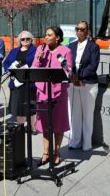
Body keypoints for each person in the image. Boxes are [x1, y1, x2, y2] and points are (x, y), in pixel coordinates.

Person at [32, 26, 71, 166]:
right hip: (42, 92)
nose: (46, 37)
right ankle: (46, 152)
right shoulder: (40, 50)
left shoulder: (65, 51)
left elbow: (69, 72)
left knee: (58, 125)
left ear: (57, 37)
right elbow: (34, 69)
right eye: (46, 35)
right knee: (45, 125)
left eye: (49, 35)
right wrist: (38, 59)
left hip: (58, 93)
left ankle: (57, 152)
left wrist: (65, 69)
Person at [68, 21, 100, 151]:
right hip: (73, 84)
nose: (79, 31)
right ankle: (75, 141)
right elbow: (68, 64)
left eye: (82, 29)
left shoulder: (93, 47)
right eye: (78, 29)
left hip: (88, 84)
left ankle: (87, 143)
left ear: (87, 31)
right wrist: (73, 78)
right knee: (75, 114)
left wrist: (80, 77)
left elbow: (93, 66)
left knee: (87, 115)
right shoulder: (71, 46)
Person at [3, 30, 37, 131]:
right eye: (23, 39)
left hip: (29, 82)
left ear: (31, 40)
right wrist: (9, 70)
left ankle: (32, 127)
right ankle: (21, 126)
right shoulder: (14, 51)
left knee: (30, 106)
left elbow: (38, 63)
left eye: (27, 39)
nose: (25, 41)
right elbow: (6, 63)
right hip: (16, 82)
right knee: (19, 107)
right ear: (19, 40)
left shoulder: (35, 50)